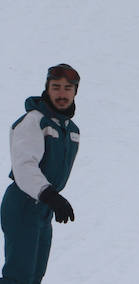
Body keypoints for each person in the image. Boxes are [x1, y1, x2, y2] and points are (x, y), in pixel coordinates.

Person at [3, 64, 80, 284]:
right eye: (56, 87)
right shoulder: (34, 121)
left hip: (43, 207)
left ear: (75, 92)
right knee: (18, 277)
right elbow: (24, 167)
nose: (62, 93)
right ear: (47, 89)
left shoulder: (71, 129)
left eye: (68, 88)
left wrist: (50, 199)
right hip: (23, 204)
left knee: (35, 275)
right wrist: (49, 195)